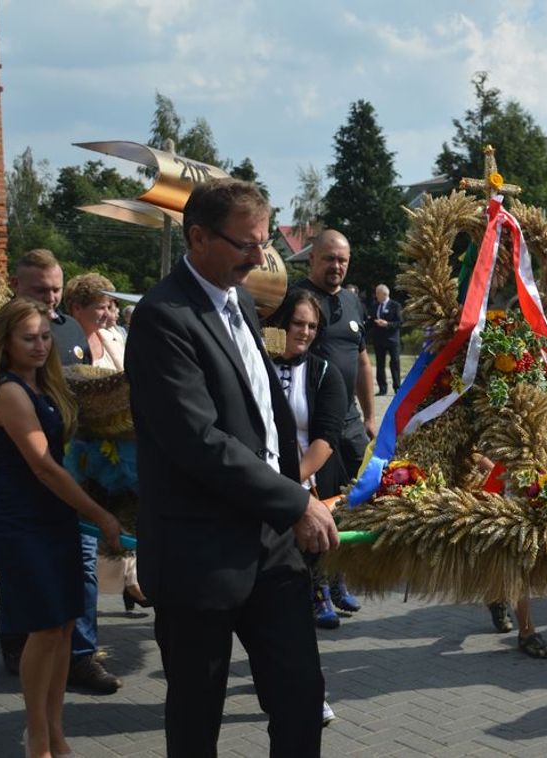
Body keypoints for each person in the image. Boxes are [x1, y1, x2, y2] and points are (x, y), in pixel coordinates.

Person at [126, 179, 340, 757]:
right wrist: (294, 501)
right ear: (197, 237)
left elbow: (265, 418)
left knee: (299, 698)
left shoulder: (242, 302)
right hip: (200, 553)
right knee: (197, 717)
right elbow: (197, 440)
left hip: (272, 544)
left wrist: (295, 494)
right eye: (245, 245)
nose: (259, 259)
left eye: (264, 244)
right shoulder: (162, 317)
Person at [0, 249, 122, 692]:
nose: (50, 299)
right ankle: (18, 643)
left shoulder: (66, 333)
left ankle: (80, 656)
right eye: (39, 290)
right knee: (30, 585)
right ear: (15, 284)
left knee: (79, 576)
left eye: (57, 289)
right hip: (26, 487)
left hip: (71, 482)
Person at [0, 298, 122, 758]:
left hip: (55, 516)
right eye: (29, 338)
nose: (41, 345)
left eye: (44, 336)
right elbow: (44, 467)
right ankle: (37, 736)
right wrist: (100, 515)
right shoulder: (9, 393)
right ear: (6, 342)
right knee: (43, 629)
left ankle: (55, 731)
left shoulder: (44, 385)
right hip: (22, 521)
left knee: (62, 628)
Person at [265, 289, 348, 722]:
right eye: (297, 323)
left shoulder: (323, 374)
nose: (304, 332)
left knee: (295, 603)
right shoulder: (255, 364)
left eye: (312, 326)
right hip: (249, 499)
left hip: (300, 500)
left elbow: (325, 439)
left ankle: (310, 692)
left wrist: (283, 487)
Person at [292, 229, 370, 619]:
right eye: (329, 259)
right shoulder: (297, 300)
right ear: (312, 260)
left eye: (342, 260)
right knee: (317, 503)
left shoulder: (353, 302)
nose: (336, 266)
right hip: (314, 425)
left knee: (349, 501)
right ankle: (316, 589)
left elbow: (363, 361)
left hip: (351, 423)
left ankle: (338, 578)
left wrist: (371, 416)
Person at [64, 273, 149, 612]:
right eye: (101, 306)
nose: (108, 313)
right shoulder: (66, 341)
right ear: (77, 308)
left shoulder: (114, 337)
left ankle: (130, 581)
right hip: (84, 445)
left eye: (111, 305)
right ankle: (128, 584)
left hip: (120, 441)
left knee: (126, 512)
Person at [366, 284, 402, 396]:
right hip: (379, 339)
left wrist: (387, 324)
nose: (376, 296)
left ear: (384, 294)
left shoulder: (395, 305)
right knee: (380, 364)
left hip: (392, 340)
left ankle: (397, 387)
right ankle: (382, 388)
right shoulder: (375, 305)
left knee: (395, 362)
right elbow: (371, 321)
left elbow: (399, 322)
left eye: (378, 293)